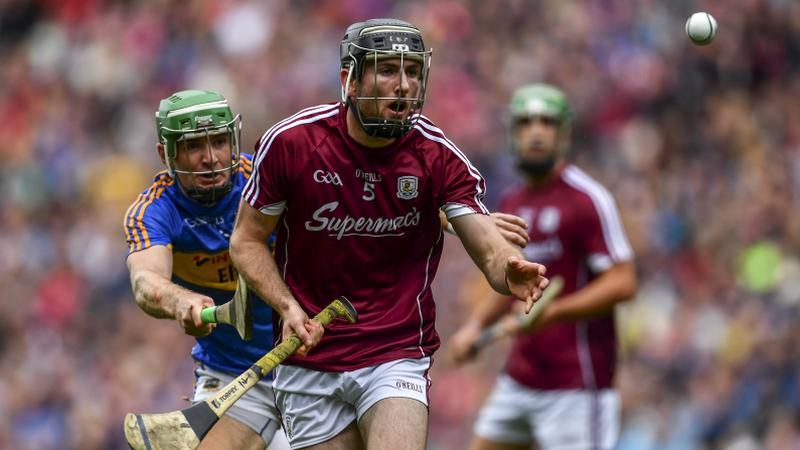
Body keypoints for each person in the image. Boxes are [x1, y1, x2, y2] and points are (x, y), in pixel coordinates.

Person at [229, 18, 549, 450]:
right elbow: (246, 241)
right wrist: (287, 307)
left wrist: (506, 267)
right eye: (386, 70)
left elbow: (484, 239)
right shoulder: (292, 143)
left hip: (394, 351)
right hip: (309, 355)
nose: (403, 85)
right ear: (349, 80)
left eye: (413, 72)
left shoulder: (437, 155)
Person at [449, 83, 638, 450]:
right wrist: (474, 328)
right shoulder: (512, 201)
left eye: (547, 123)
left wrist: (554, 312)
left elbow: (622, 283)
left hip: (576, 388)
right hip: (521, 378)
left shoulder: (587, 199)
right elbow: (510, 283)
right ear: (513, 134)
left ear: (564, 134)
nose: (536, 132)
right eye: (526, 123)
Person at [124, 89, 289, 450]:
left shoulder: (269, 178)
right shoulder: (154, 209)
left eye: (219, 141)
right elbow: (146, 280)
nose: (211, 158)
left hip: (313, 361)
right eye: (194, 146)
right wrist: (180, 300)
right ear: (164, 153)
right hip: (233, 375)